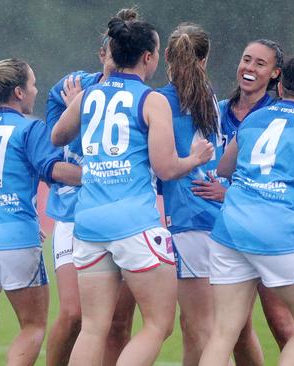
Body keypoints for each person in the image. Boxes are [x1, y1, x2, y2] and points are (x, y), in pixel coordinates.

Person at [52, 16, 213, 366]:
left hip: (89, 224)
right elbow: (166, 168)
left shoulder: (90, 94)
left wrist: (77, 108)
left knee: (94, 327)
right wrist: (195, 158)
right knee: (157, 325)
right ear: (148, 57)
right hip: (133, 224)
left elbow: (57, 137)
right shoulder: (151, 100)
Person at [199, 55, 294, 366]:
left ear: (280, 86)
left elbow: (224, 166)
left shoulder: (253, 118)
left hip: (230, 230)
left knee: (223, 332)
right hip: (279, 235)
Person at [0, 58, 82, 366]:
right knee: (33, 326)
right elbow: (52, 169)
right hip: (16, 241)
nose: (36, 91)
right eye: (33, 85)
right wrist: (98, 174)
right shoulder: (30, 128)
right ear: (20, 93)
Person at [44, 8, 139, 366]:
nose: (117, 61)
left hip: (122, 215)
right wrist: (79, 110)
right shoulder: (72, 87)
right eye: (112, 53)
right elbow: (56, 146)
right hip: (72, 213)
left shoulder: (141, 95)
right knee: (73, 314)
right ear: (102, 54)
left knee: (118, 322)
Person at [192, 38, 294, 360]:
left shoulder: (279, 116)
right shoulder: (217, 111)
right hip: (222, 231)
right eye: (246, 59)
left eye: (260, 64)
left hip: (265, 228)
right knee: (235, 328)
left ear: (275, 74)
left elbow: (285, 179)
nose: (249, 68)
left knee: (281, 322)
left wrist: (231, 193)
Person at [156, 22, 224, 366]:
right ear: (205, 59)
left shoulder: (161, 102)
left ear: (166, 55)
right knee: (193, 325)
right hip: (216, 216)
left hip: (186, 217)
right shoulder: (209, 98)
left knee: (204, 328)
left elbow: (161, 166)